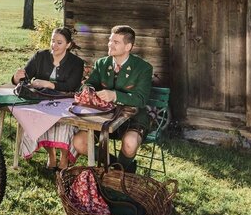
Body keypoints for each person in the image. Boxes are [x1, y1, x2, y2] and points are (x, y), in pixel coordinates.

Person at [72, 25, 153, 174]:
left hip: (132, 117)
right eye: (110, 40)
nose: (110, 44)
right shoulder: (102, 64)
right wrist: (87, 89)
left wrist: (115, 95)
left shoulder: (143, 68)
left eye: (116, 42)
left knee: (130, 143)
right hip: (103, 117)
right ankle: (116, 166)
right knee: (79, 142)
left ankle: (119, 174)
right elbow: (90, 83)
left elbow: (141, 99)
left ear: (128, 46)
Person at [11, 27, 85, 170]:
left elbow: (72, 85)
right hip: (41, 100)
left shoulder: (76, 63)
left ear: (68, 45)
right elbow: (24, 78)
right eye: (52, 41)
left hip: (65, 101)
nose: (54, 45)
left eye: (59, 42)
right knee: (38, 119)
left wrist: (49, 84)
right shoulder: (40, 56)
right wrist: (15, 78)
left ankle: (64, 158)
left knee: (65, 124)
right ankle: (51, 155)